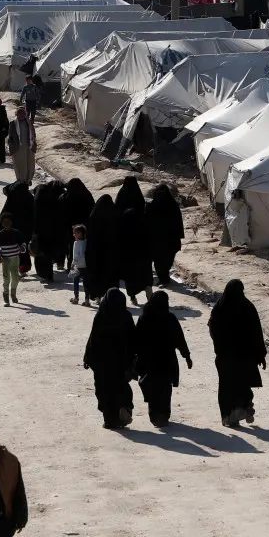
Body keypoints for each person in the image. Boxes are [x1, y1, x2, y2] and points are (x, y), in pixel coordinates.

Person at [208, 279, 268, 428]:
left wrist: (219, 348)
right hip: (245, 356)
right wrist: (260, 354)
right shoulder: (248, 307)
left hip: (226, 355)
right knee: (242, 382)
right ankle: (245, 405)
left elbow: (213, 329)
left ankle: (229, 416)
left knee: (227, 386)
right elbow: (256, 333)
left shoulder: (220, 308)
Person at [135, 290, 192, 427]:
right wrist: (187, 356)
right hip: (167, 360)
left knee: (152, 388)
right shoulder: (170, 318)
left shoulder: (144, 318)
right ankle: (164, 415)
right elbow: (180, 339)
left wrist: (133, 357)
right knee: (165, 389)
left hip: (148, 360)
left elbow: (135, 340)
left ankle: (155, 416)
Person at [83, 289, 137, 429]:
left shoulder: (101, 316)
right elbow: (133, 341)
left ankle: (110, 420)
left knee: (104, 391)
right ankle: (124, 409)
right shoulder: (126, 316)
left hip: (102, 364)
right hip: (120, 363)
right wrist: (132, 361)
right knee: (121, 388)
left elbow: (93, 340)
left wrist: (87, 357)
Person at [145, 183, 185, 287]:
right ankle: (163, 279)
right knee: (159, 261)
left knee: (167, 261)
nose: (160, 196)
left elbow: (178, 222)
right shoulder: (152, 206)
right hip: (158, 240)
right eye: (159, 193)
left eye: (162, 193)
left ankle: (164, 277)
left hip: (169, 240)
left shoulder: (172, 206)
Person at [31, 179, 68, 282]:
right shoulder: (51, 202)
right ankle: (49, 275)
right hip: (50, 232)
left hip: (40, 233)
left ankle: (45, 275)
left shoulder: (37, 203)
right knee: (47, 254)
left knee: (41, 255)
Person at [84, 194, 118, 301]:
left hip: (95, 250)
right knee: (109, 272)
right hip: (110, 250)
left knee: (96, 271)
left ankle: (97, 295)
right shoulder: (114, 213)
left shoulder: (94, 214)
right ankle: (110, 296)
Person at [0, 213, 27, 307]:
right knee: (6, 278)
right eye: (5, 222)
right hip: (5, 260)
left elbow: (23, 244)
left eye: (8, 222)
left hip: (15, 259)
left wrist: (22, 249)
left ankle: (13, 293)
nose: (7, 224)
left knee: (15, 278)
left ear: (11, 223)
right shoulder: (0, 234)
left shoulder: (16, 233)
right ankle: (6, 296)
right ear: (2, 223)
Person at [7, 106, 36, 184]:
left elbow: (33, 133)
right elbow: (10, 136)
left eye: (23, 113)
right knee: (20, 165)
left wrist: (33, 143)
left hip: (29, 146)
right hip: (18, 148)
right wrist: (12, 146)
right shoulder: (13, 123)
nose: (22, 115)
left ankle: (28, 180)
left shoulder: (29, 122)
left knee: (30, 164)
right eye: (20, 114)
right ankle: (21, 181)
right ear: (17, 114)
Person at [70, 224, 90, 306]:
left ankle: (76, 298)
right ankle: (87, 299)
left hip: (77, 266)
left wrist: (73, 263)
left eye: (75, 233)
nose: (74, 235)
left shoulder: (76, 243)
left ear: (80, 233)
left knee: (75, 282)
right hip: (85, 265)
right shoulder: (86, 242)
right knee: (86, 283)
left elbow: (77, 255)